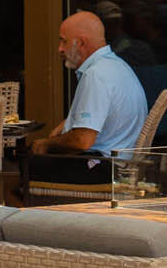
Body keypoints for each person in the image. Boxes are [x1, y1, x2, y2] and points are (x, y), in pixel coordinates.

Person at [28, 10, 149, 180]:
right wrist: (66, 125)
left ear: (81, 43)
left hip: (104, 169)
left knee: (28, 163)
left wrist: (45, 144)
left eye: (64, 41)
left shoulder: (96, 75)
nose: (60, 49)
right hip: (119, 164)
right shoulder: (115, 66)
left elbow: (82, 141)